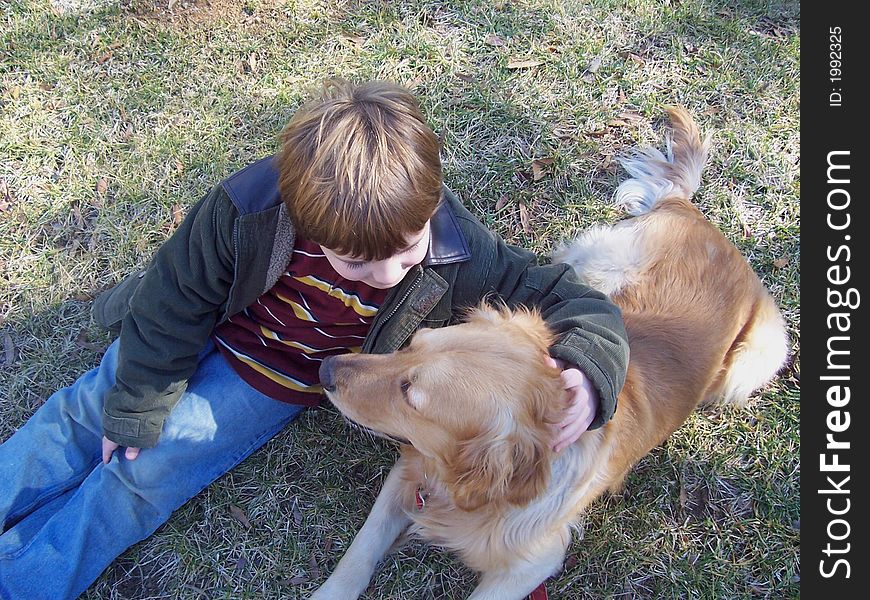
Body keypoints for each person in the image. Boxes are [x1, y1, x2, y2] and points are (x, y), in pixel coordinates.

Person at [0, 79, 629, 599]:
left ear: (429, 209)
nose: (385, 276)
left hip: (267, 379)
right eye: (356, 265)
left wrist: (587, 367)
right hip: (199, 330)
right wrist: (137, 403)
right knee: (83, 416)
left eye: (406, 254)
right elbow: (172, 300)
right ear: (304, 220)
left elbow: (575, 300)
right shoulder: (246, 208)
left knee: (144, 472)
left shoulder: (458, 246)